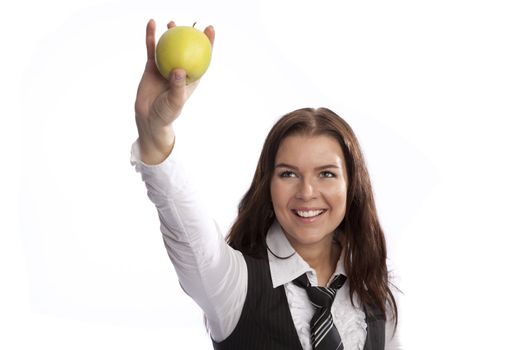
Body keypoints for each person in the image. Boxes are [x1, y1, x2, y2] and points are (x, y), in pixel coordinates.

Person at [131, 19, 402, 350]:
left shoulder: (375, 291)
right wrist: (155, 132)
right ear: (267, 184)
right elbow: (183, 218)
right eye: (288, 173)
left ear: (352, 185)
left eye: (326, 174)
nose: (306, 192)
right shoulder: (232, 283)